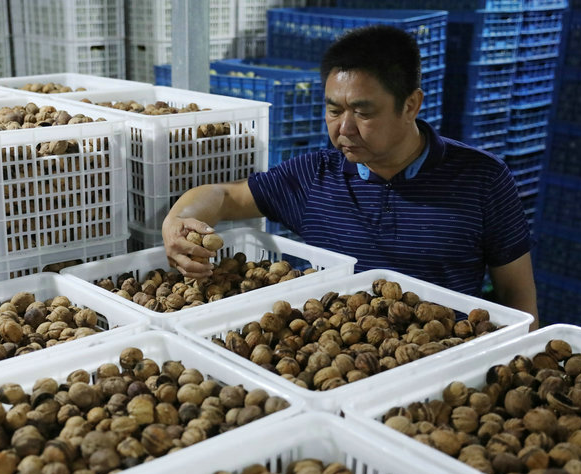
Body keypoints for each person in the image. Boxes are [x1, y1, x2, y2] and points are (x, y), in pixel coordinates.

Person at [161, 25, 539, 329]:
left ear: (411, 105)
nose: (344, 128)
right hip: (331, 359)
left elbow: (518, 297)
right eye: (333, 110)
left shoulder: (483, 179)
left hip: (443, 367)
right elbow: (224, 196)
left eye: (363, 111)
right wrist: (178, 221)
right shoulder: (314, 175)